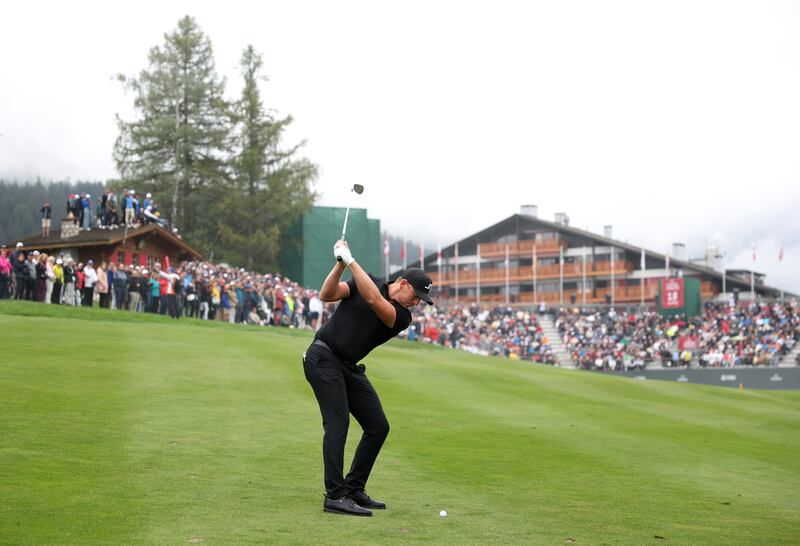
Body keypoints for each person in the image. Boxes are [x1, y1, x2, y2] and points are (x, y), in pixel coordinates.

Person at [303, 240, 433, 517]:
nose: (417, 301)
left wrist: (350, 259)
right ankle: (335, 496)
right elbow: (327, 294)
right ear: (402, 282)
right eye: (417, 294)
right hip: (323, 358)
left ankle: (353, 488)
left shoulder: (402, 316)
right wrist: (340, 264)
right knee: (338, 422)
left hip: (347, 366)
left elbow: (374, 299)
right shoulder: (367, 280)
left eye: (422, 299)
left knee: (378, 426)